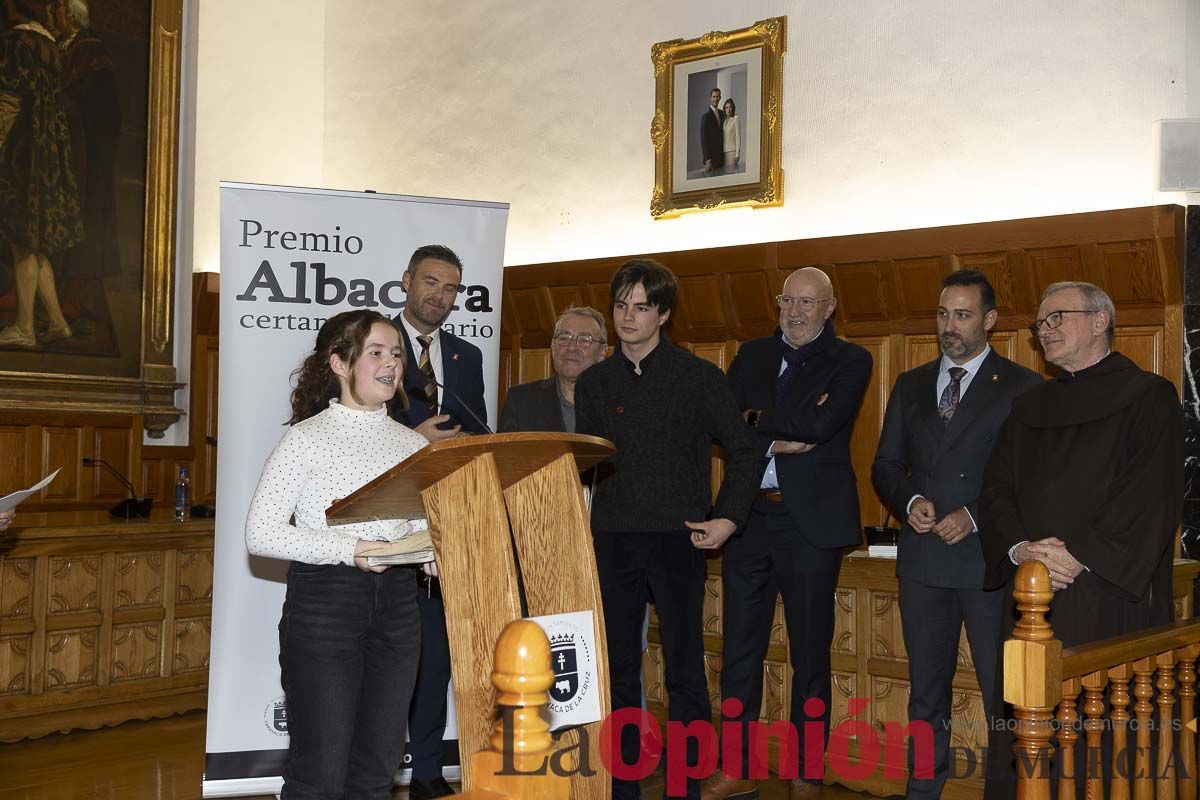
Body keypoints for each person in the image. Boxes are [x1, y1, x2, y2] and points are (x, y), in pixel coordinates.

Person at [979, 281, 1183, 800]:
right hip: (1031, 597)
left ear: (1099, 322)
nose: (1044, 330)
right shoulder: (1028, 406)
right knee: (1027, 731)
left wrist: (1077, 555)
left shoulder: (1149, 396)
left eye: (1057, 318)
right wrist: (1020, 549)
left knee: (1102, 741)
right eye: (1039, 323)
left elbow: (1148, 494)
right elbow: (995, 488)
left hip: (1106, 595)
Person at [575, 259, 760, 800]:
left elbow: (745, 450)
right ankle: (623, 784)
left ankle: (687, 784)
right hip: (612, 537)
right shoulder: (594, 382)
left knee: (684, 668)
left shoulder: (699, 377)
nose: (628, 316)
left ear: (663, 314)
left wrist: (727, 518)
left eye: (641, 306)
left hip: (680, 538)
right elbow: (585, 464)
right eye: (621, 305)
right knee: (617, 670)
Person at [244, 309, 430, 799]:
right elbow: (260, 534)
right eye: (376, 353)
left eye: (396, 354)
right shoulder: (306, 438)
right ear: (340, 363)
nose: (391, 364)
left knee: (375, 770)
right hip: (326, 604)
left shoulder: (413, 444)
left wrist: (430, 549)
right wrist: (350, 550)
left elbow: (412, 524)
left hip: (398, 605)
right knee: (320, 774)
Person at [871, 270, 1041, 800]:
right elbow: (885, 466)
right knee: (925, 694)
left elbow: (1028, 478)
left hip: (987, 562)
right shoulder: (911, 383)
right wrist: (909, 502)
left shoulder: (1021, 386)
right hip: (923, 562)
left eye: (963, 315)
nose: (950, 326)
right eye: (943, 314)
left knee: (1000, 696)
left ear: (989, 320)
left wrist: (972, 513)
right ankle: (922, 790)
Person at [704, 267, 872, 800]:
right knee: (739, 651)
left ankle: (807, 771)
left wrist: (757, 422)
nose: (795, 313)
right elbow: (724, 423)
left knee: (810, 655)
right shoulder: (752, 354)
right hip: (748, 518)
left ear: (829, 309)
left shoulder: (851, 360)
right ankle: (735, 766)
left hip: (810, 525)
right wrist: (774, 436)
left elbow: (823, 427)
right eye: (787, 302)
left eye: (807, 303)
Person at [391, 243, 487, 800]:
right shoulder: (374, 343)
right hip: (383, 522)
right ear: (406, 281)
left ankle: (427, 771)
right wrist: (412, 440)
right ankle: (372, 769)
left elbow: (471, 428)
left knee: (436, 656)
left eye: (450, 289)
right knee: (388, 656)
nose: (440, 297)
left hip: (446, 525)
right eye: (431, 283)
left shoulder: (466, 356)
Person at [0, 0, 82, 348]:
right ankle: (59, 323)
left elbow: (7, 104)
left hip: (22, 154)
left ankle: (25, 328)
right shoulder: (49, 45)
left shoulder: (15, 44)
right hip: (48, 154)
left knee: (22, 241)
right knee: (37, 244)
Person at [52, 0, 121, 338]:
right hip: (69, 150)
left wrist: (68, 109)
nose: (55, 16)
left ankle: (77, 297)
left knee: (87, 222)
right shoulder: (67, 47)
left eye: (60, 11)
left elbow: (101, 108)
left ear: (72, 16)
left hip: (87, 157)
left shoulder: (91, 51)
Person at [498, 306, 605, 434]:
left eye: (584, 340)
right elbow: (505, 453)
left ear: (601, 353)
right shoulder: (521, 401)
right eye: (564, 338)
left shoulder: (620, 402)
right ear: (553, 348)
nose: (571, 347)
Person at [700, 87, 725, 174]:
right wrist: (708, 160)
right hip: (711, 160)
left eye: (717, 97)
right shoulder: (706, 117)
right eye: (714, 97)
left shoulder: (722, 114)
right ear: (710, 98)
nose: (715, 99)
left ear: (720, 98)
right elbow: (704, 140)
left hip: (722, 158)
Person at [721, 99, 740, 175]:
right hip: (723, 152)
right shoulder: (724, 120)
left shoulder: (735, 118)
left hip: (732, 151)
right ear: (724, 109)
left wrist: (737, 154)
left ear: (733, 108)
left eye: (730, 107)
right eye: (726, 107)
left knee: (731, 173)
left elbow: (738, 136)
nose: (728, 109)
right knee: (725, 174)